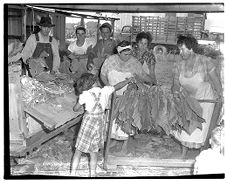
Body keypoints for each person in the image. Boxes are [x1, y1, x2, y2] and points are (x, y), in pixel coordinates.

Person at [70, 73, 135, 177]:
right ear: (94, 82)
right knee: (94, 152)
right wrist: (127, 81)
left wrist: (80, 106)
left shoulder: (84, 95)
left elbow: (75, 108)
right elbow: (117, 86)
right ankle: (92, 174)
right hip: (100, 121)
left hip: (88, 122)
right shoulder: (105, 90)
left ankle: (72, 174)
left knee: (78, 150)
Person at [100, 40, 156, 155]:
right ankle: (114, 141)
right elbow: (102, 74)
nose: (128, 56)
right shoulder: (110, 60)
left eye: (129, 53)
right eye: (125, 54)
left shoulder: (134, 62)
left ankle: (124, 147)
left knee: (126, 121)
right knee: (112, 121)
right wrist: (108, 86)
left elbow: (143, 75)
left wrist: (153, 81)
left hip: (128, 97)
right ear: (119, 53)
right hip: (113, 95)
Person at [171, 35, 222, 158]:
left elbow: (215, 81)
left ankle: (200, 155)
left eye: (182, 49)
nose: (180, 52)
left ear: (191, 48)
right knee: (185, 127)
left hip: (205, 100)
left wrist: (220, 95)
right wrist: (175, 94)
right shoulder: (178, 65)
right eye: (179, 49)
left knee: (201, 130)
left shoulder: (205, 62)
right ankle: (183, 153)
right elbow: (176, 84)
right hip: (187, 99)